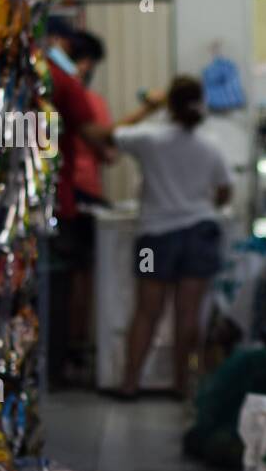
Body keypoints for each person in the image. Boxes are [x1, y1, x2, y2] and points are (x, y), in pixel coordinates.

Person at [82, 77, 233, 400]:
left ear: (171, 105)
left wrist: (147, 107)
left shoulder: (149, 138)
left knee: (147, 311)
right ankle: (182, 384)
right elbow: (224, 191)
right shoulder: (211, 145)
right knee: (188, 313)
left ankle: (130, 383)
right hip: (200, 231)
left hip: (156, 237)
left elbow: (96, 133)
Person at [48, 28, 112, 386]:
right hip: (64, 198)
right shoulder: (68, 83)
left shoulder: (45, 74)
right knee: (67, 282)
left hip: (60, 195)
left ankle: (60, 359)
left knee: (63, 281)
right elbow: (98, 139)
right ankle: (60, 362)